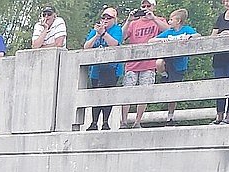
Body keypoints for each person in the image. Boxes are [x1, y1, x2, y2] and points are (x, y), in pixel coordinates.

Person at [120, 0, 167, 128]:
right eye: (143, 6)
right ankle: (123, 122)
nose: (146, 8)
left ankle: (137, 121)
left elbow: (169, 30)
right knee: (127, 93)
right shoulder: (134, 23)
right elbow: (121, 37)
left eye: (148, 6)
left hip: (149, 63)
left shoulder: (159, 20)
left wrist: (154, 18)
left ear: (153, 7)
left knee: (144, 93)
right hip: (132, 63)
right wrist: (128, 20)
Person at [154, 9, 200, 123]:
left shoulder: (186, 30)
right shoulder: (169, 32)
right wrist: (163, 40)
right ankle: (164, 75)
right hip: (168, 61)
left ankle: (170, 116)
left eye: (171, 19)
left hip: (179, 64)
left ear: (178, 21)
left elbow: (198, 35)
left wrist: (189, 37)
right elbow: (151, 40)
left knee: (173, 91)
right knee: (158, 62)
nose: (169, 22)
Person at [83, 7, 124, 130]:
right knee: (96, 96)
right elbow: (86, 47)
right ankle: (94, 122)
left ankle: (105, 122)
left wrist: (104, 34)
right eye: (104, 17)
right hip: (96, 69)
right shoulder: (94, 31)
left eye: (109, 18)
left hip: (112, 68)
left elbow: (114, 44)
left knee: (107, 96)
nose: (105, 20)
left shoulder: (117, 30)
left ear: (114, 20)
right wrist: (97, 35)